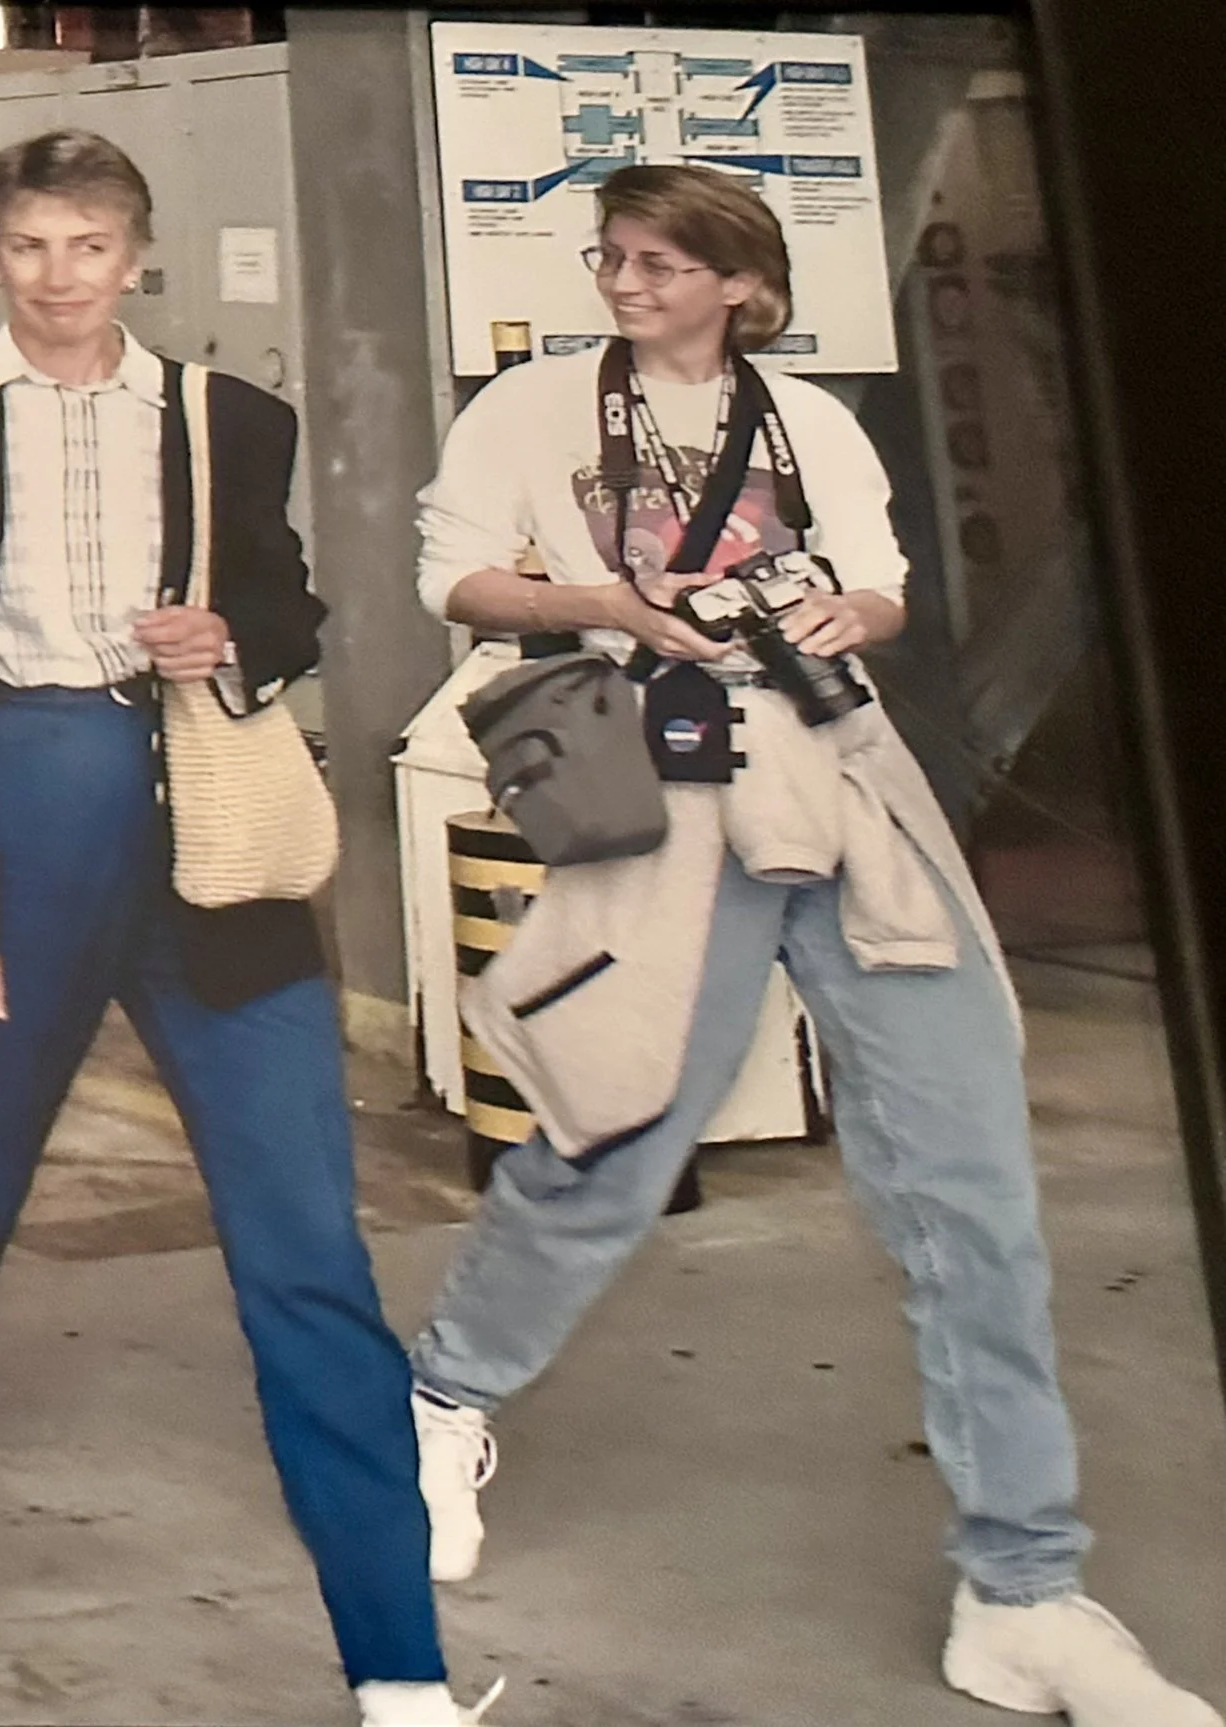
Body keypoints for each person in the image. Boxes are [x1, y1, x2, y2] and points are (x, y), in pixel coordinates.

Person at [406, 162, 1219, 1727]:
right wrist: (618, 603)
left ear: (740, 285)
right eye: (612, 259)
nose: (627, 285)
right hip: (660, 798)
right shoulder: (535, 409)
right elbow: (454, 568)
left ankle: (1025, 1585)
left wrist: (850, 616)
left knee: (970, 1183)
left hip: (845, 790)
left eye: (657, 263)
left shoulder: (816, 422)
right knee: (609, 1141)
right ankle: (442, 1396)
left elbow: (888, 586)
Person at [0, 130, 494, 1727]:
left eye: (90, 244)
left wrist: (231, 632)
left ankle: (400, 1669)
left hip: (204, 827)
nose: (60, 276)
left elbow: (293, 607)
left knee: (306, 1234)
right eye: (29, 245)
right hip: (11, 806)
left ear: (138, 256)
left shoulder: (230, 416)